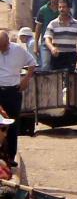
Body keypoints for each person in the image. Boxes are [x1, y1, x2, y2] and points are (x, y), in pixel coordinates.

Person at [0, 28, 36, 161]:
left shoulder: (18, 50)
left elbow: (32, 63)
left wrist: (26, 79)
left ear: (8, 43)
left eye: (3, 47)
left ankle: (10, 156)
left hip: (12, 91)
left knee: (12, 123)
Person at [43, 0, 77, 73]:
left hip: (70, 56)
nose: (62, 9)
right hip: (57, 55)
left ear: (69, 8)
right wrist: (52, 48)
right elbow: (47, 38)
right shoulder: (53, 23)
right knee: (57, 78)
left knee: (70, 78)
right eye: (60, 7)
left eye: (64, 7)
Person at [34, 0, 62, 69]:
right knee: (45, 66)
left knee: (58, 68)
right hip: (46, 42)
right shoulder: (43, 10)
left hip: (60, 43)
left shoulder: (63, 10)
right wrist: (36, 45)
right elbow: (38, 28)